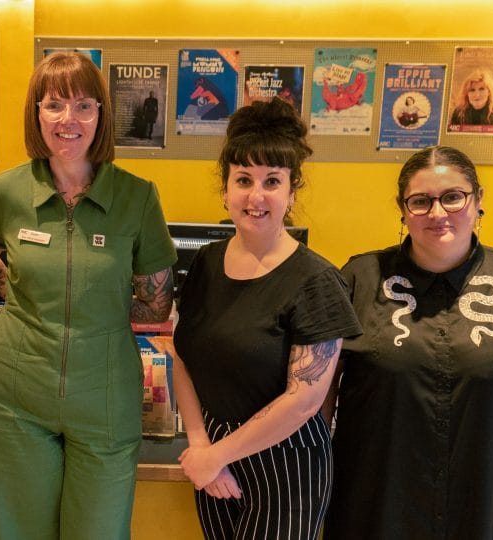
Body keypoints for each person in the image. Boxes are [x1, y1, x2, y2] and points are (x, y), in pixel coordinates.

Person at [0, 51, 177, 539]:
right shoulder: (6, 192)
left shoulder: (137, 197)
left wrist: (93, 313)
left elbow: (158, 303)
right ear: (35, 114)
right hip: (17, 392)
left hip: (105, 395)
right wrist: (20, 296)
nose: (69, 119)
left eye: (84, 105)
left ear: (101, 114)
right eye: (54, 105)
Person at [323, 146, 493, 540]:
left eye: (452, 197)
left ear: (477, 201)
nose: (438, 213)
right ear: (403, 209)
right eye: (421, 201)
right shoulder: (361, 276)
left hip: (480, 498)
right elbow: (323, 382)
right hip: (377, 497)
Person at [154, 98, 362, 540]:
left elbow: (303, 400)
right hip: (212, 451)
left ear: (291, 192)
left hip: (286, 463)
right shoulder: (207, 263)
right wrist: (200, 445)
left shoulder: (317, 281)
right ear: (226, 188)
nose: (256, 195)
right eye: (243, 180)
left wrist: (216, 455)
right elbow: (184, 354)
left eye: (272, 181)